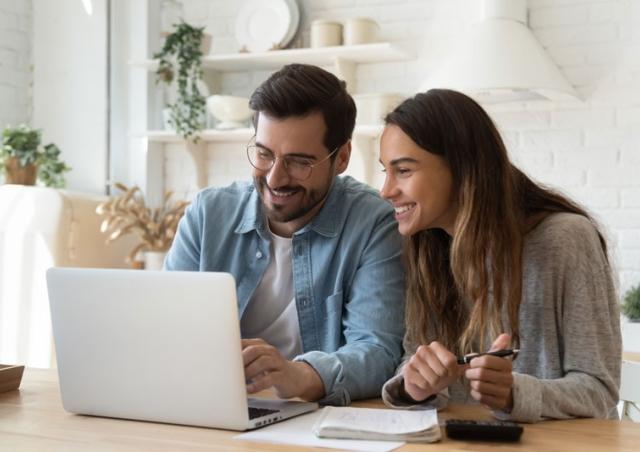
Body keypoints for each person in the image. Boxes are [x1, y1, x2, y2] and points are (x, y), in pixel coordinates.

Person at [165, 64, 405, 406]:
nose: (275, 179)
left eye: (299, 162)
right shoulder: (207, 214)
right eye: (264, 154)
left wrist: (299, 376)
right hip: (210, 406)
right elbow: (165, 328)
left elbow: (377, 351)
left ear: (342, 158)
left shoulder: (373, 224)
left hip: (313, 418)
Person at [378, 89, 621, 422]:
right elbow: (413, 359)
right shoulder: (429, 249)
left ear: (462, 169)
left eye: (403, 171)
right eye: (385, 171)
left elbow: (599, 390)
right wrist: (415, 385)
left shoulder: (565, 240)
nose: (386, 190)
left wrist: (513, 394)